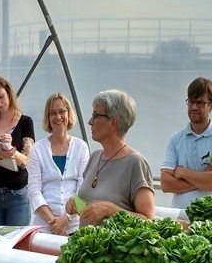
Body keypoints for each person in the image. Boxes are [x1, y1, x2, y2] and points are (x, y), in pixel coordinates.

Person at [65, 89, 154, 226]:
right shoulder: (95, 157)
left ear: (113, 123)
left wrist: (110, 210)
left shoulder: (135, 162)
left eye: (96, 116)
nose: (90, 121)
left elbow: (149, 221)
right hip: (87, 246)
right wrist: (75, 203)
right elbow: (92, 202)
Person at [159, 77, 212, 213]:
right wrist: (205, 177)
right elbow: (165, 184)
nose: (194, 107)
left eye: (200, 103)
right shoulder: (176, 139)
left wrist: (183, 172)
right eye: (191, 101)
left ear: (211, 105)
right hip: (180, 215)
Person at [27, 93, 90, 234]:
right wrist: (54, 223)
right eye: (53, 113)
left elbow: (84, 189)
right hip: (45, 228)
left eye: (62, 111)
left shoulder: (81, 147)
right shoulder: (38, 148)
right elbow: (34, 190)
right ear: (48, 118)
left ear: (69, 113)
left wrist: (66, 219)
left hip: (74, 227)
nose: (58, 117)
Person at [0, 76, 34, 227]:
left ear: (9, 93)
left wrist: (11, 150)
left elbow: (25, 161)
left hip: (17, 193)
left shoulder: (25, 122)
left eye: (1, 97)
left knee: (16, 242)